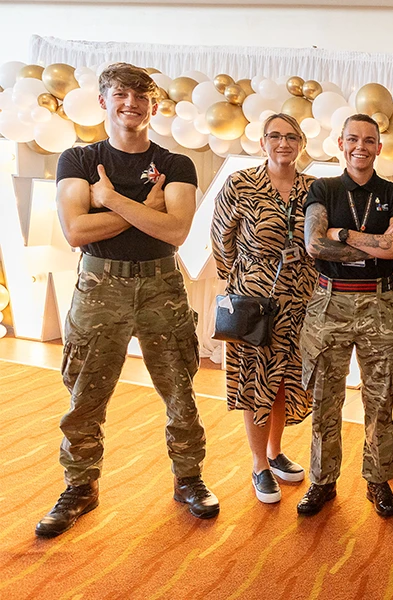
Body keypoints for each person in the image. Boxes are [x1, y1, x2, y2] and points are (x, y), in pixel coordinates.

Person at [38, 63, 217, 537]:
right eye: (121, 94)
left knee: (180, 390)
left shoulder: (177, 164)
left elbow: (175, 230)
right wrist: (146, 209)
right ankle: (79, 487)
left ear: (153, 107)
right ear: (103, 102)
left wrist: (113, 202)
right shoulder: (78, 159)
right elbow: (76, 231)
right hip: (100, 287)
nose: (131, 104)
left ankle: (189, 480)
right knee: (85, 397)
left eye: (141, 96)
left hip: (161, 285)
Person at [299, 114, 393, 518]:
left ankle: (378, 479)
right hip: (329, 304)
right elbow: (314, 244)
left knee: (380, 399)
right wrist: (373, 245)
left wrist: (342, 235)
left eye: (369, 139)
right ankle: (322, 481)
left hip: (380, 304)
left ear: (379, 147)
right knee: (324, 399)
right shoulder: (323, 188)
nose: (360, 146)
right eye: (352, 139)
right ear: (341, 144)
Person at [211, 113, 317, 503]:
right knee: (256, 381)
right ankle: (258, 464)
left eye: (291, 136)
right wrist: (242, 280)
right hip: (255, 298)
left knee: (286, 380)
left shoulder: (315, 189)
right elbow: (221, 240)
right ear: (262, 142)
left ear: (302, 143)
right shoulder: (240, 184)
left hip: (302, 297)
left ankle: (274, 452)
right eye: (275, 136)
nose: (283, 143)